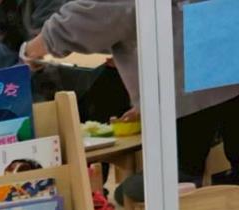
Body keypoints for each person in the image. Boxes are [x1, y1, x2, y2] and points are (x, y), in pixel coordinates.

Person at [22, 0, 239, 185]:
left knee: (174, 186)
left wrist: (32, 51)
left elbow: (96, 14)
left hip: (191, 83)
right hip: (220, 63)